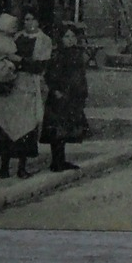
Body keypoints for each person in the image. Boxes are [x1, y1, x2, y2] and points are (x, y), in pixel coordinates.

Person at [0, 12, 43, 179]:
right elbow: (3, 57)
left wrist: (22, 63)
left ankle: (15, 167)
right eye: (26, 19)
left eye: (32, 19)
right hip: (12, 88)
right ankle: (10, 167)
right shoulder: (8, 41)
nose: (28, 22)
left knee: (20, 127)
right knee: (11, 126)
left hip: (20, 88)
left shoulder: (40, 40)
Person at [41, 22, 89, 171]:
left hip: (73, 97)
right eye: (66, 36)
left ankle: (61, 160)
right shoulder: (57, 55)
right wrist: (56, 91)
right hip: (60, 97)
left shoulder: (77, 54)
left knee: (68, 128)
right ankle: (56, 161)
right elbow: (50, 75)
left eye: (73, 36)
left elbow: (80, 76)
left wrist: (82, 92)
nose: (70, 39)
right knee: (57, 129)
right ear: (61, 38)